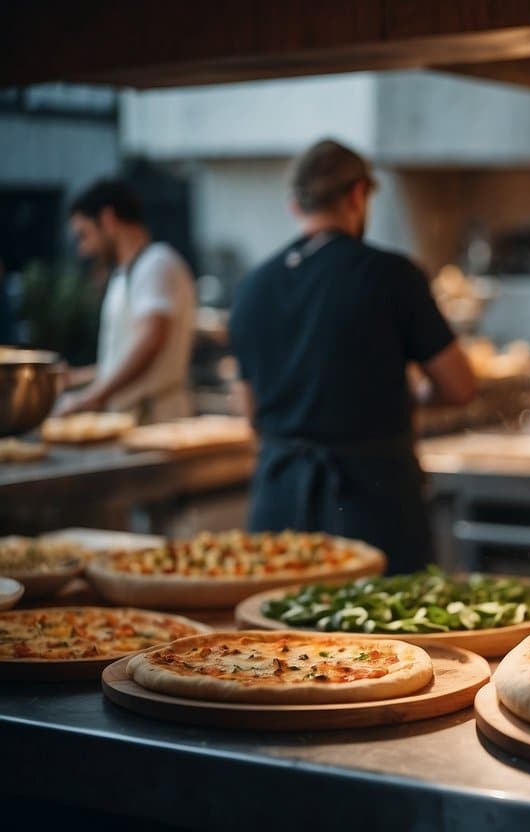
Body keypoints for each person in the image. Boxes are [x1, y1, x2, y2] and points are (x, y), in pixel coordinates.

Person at [228, 139, 475, 573]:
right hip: (371, 506)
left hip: (278, 509)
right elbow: (459, 386)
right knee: (385, 638)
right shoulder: (392, 276)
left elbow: (250, 412)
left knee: (276, 638)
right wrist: (407, 398)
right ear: (358, 195)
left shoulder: (251, 287)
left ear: (295, 205)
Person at [57, 180, 196, 422]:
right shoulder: (125, 273)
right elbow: (122, 358)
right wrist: (76, 378)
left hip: (155, 421)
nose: (83, 248)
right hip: (132, 419)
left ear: (108, 219)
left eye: (84, 235)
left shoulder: (155, 263)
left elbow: (150, 341)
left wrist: (91, 398)